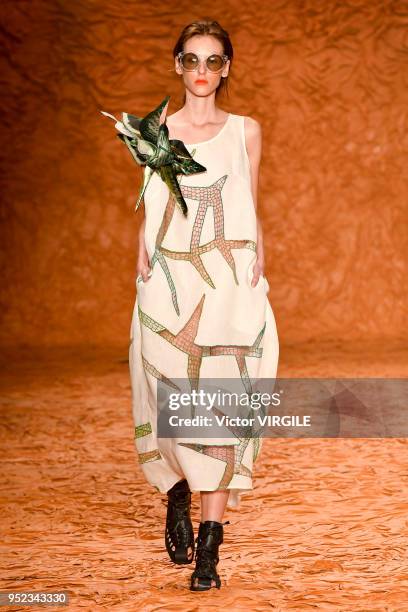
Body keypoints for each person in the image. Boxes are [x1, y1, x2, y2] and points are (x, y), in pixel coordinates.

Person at [129, 18, 279, 591]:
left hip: (228, 280)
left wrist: (258, 256)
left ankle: (210, 550)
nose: (201, 71)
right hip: (168, 278)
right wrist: (137, 259)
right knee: (164, 390)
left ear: (226, 68)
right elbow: (150, 204)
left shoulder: (246, 130)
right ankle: (176, 491)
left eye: (213, 60)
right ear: (177, 65)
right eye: (191, 59)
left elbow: (250, 197)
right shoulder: (158, 130)